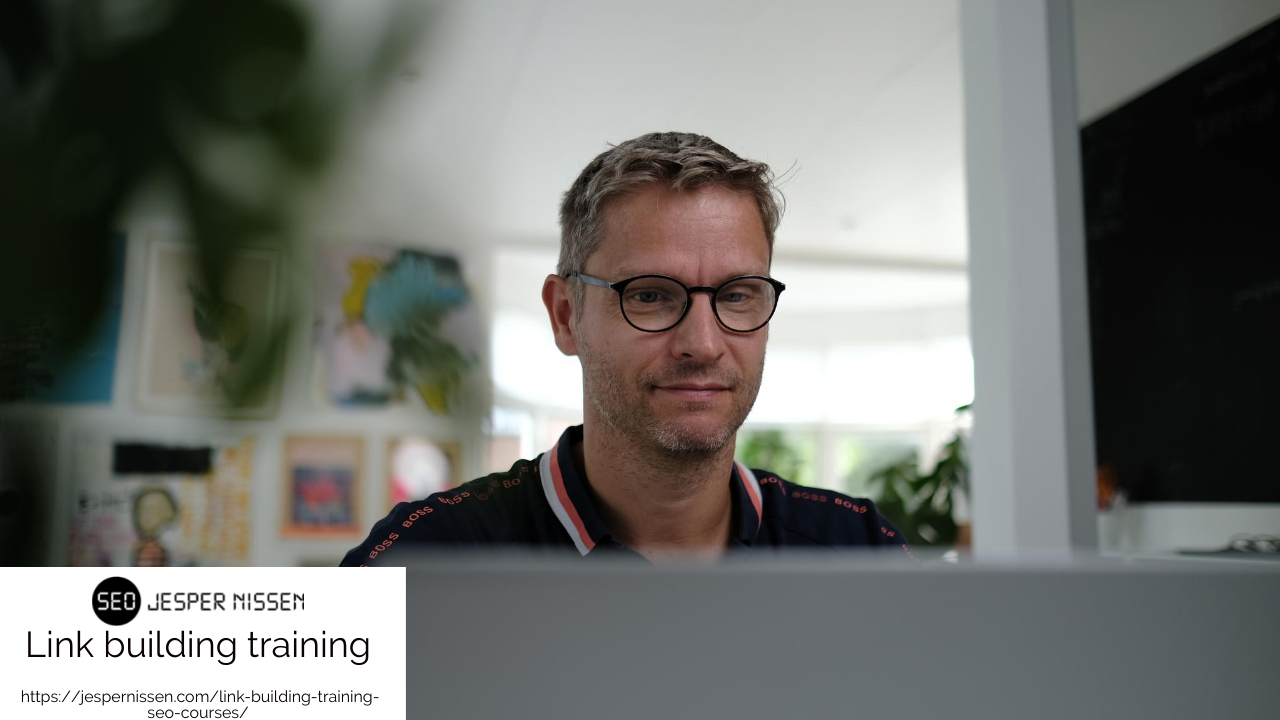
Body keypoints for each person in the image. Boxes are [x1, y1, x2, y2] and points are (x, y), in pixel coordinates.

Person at [342, 131, 909, 566]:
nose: (703, 344)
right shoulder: (424, 561)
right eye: (651, 296)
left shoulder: (860, 552)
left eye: (737, 295)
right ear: (566, 316)